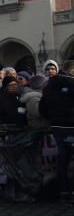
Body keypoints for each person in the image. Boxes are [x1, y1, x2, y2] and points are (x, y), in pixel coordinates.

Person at [40, 60, 74, 201]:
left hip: (57, 127)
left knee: (63, 160)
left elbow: (42, 109)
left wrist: (53, 118)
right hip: (72, 126)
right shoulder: (72, 83)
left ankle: (63, 192)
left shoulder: (49, 86)